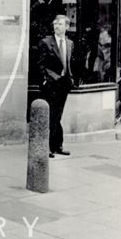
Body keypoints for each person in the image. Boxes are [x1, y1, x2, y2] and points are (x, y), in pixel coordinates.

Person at [37, 14, 74, 158]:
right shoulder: (45, 42)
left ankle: (57, 146)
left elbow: (70, 63)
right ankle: (46, 147)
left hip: (64, 85)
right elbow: (40, 64)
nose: (56, 26)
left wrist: (71, 79)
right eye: (55, 24)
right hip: (51, 84)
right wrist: (46, 80)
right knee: (50, 116)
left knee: (58, 115)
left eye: (60, 24)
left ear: (67, 26)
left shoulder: (69, 43)